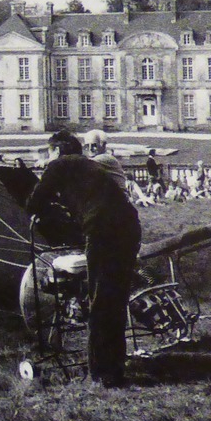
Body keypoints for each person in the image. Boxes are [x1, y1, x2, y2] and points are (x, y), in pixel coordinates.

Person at [25, 130, 142, 386]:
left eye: (49, 153)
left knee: (99, 302)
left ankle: (101, 375)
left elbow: (33, 202)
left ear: (56, 151)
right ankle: (115, 368)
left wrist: (45, 208)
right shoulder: (92, 165)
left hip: (104, 231)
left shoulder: (59, 165)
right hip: (129, 227)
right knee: (115, 299)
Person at [81, 129, 130, 194]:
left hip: (117, 199)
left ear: (103, 145)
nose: (90, 148)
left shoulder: (106, 158)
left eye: (93, 145)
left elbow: (82, 165)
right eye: (87, 145)